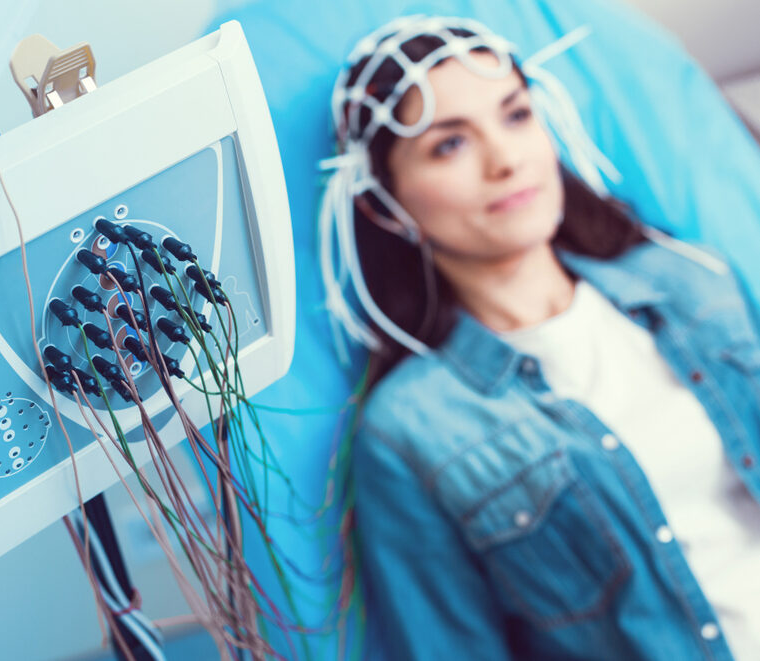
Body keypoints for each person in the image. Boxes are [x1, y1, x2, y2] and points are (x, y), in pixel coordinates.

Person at [317, 15, 760, 661]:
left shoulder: (691, 283)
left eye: (516, 115)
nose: (506, 160)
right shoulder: (411, 432)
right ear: (384, 201)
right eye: (449, 144)